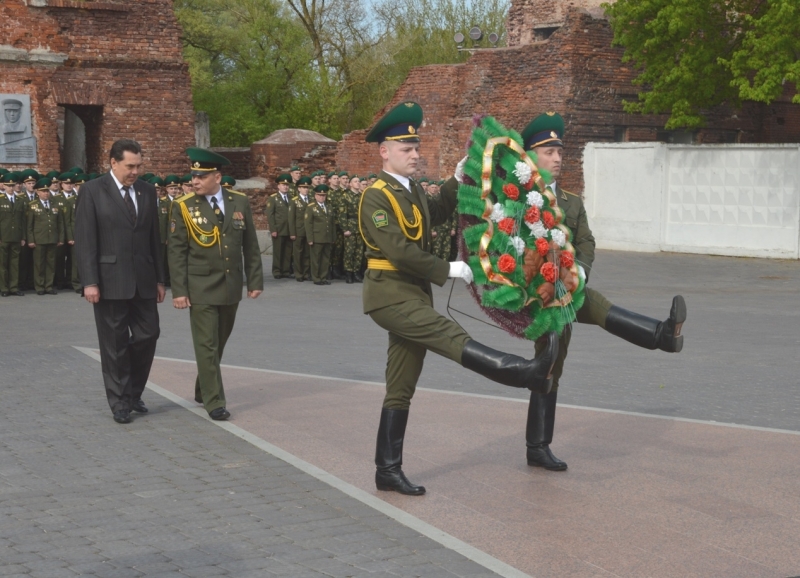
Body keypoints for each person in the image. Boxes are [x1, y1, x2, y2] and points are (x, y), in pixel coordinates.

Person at [358, 101, 558, 496]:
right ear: (384, 152)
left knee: (401, 385)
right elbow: (397, 250)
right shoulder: (375, 196)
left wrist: (456, 178)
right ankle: (522, 372)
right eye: (405, 149)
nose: (415, 155)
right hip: (389, 295)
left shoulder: (411, 189)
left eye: (416, 148)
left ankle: (387, 469)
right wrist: (447, 268)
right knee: (447, 334)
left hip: (412, 295)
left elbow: (436, 210)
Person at [520, 112, 687, 471]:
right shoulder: (517, 200)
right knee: (560, 344)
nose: (558, 157)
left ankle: (537, 447)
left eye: (560, 150)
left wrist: (578, 270)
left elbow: (586, 242)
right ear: (531, 156)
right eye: (549, 150)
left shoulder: (570, 201)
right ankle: (661, 335)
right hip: (533, 295)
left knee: (552, 361)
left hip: (567, 289)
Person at [74, 139, 166, 424]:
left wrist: (161, 279)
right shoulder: (92, 191)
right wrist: (89, 281)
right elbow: (86, 239)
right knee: (114, 344)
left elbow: (154, 238)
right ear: (113, 163)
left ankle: (134, 391)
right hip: (109, 280)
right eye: (130, 166)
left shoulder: (147, 191)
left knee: (148, 334)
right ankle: (120, 403)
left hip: (144, 279)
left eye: (139, 166)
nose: (135, 171)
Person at [168, 148, 264, 420]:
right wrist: (180, 291)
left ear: (217, 177)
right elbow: (176, 252)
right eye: (193, 175)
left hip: (230, 285)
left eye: (201, 176)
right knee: (206, 344)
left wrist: (254, 279)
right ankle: (215, 401)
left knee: (219, 342)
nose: (194, 181)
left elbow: (250, 244)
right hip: (200, 287)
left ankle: (203, 388)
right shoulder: (183, 205)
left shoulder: (239, 202)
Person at [27, 177, 64, 295]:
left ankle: (48, 286)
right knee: (39, 264)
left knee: (51, 264)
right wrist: (31, 240)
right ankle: (39, 286)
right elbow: (29, 225)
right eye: (43, 191)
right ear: (38, 192)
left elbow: (60, 223)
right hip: (39, 239)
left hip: (52, 238)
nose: (46, 193)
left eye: (47, 191)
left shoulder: (55, 204)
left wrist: (60, 238)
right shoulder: (33, 205)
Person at [0, 172, 26, 296]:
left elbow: (23, 221)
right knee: (3, 264)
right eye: (8, 186)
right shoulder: (0, 200)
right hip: (3, 237)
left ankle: (14, 287)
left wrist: (23, 237)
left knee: (15, 264)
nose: (10, 188)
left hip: (16, 236)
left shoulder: (20, 200)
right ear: (4, 186)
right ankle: (4, 288)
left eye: (12, 186)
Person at [304, 184, 334, 285]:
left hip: (327, 237)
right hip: (316, 237)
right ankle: (316, 278)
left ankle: (323, 277)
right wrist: (310, 238)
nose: (322, 197)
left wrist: (332, 237)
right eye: (320, 195)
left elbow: (332, 223)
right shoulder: (311, 207)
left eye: (324, 195)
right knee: (316, 259)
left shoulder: (329, 207)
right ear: (315, 196)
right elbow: (308, 224)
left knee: (325, 259)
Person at [265, 174, 293, 279]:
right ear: (278, 186)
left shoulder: (291, 198)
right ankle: (277, 271)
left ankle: (285, 271)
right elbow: (270, 215)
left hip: (289, 229)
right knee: (278, 251)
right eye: (283, 185)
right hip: (279, 229)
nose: (285, 187)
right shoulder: (273, 198)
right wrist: (273, 229)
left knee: (287, 251)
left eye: (287, 185)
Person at [338, 175, 364, 283]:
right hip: (350, 225)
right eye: (355, 181)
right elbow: (342, 214)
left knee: (359, 251)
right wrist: (345, 229)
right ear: (350, 184)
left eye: (358, 181)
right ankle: (348, 272)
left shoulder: (362, 196)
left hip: (360, 227)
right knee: (349, 251)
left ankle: (356, 272)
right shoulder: (345, 196)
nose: (357, 183)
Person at [288, 176, 312, 281]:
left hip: (309, 231)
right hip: (298, 230)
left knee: (307, 253)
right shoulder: (294, 201)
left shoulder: (311, 200)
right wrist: (292, 232)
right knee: (298, 253)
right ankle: (298, 273)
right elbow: (291, 218)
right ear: (299, 189)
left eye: (307, 187)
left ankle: (306, 273)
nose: (306, 189)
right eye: (303, 187)